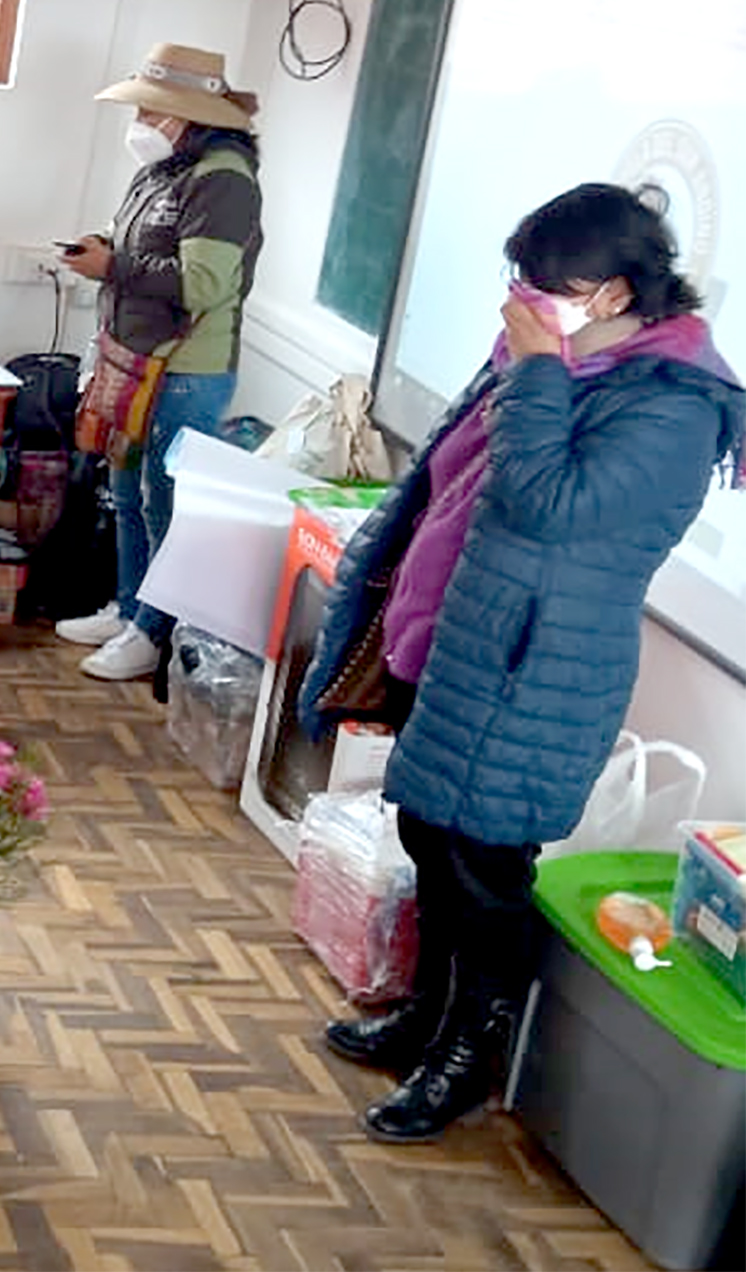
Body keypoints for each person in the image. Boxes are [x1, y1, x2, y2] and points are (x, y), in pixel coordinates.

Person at [302, 183, 742, 1144]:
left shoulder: (677, 404)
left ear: (618, 292)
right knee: (428, 835)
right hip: (457, 638)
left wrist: (538, 368)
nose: (526, 301)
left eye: (552, 286)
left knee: (486, 871)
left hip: (536, 669)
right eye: (524, 280)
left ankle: (469, 1054)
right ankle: (424, 1011)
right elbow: (451, 478)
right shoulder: (561, 357)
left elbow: (548, 504)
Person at [56, 43, 264, 678]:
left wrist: (112, 266)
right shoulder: (165, 170)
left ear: (188, 115)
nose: (141, 122)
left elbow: (202, 285)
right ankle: (127, 609)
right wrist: (103, 246)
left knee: (163, 502)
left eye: (152, 111)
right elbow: (148, 244)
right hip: (134, 359)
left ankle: (153, 634)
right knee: (125, 492)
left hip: (184, 370)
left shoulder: (224, 180)